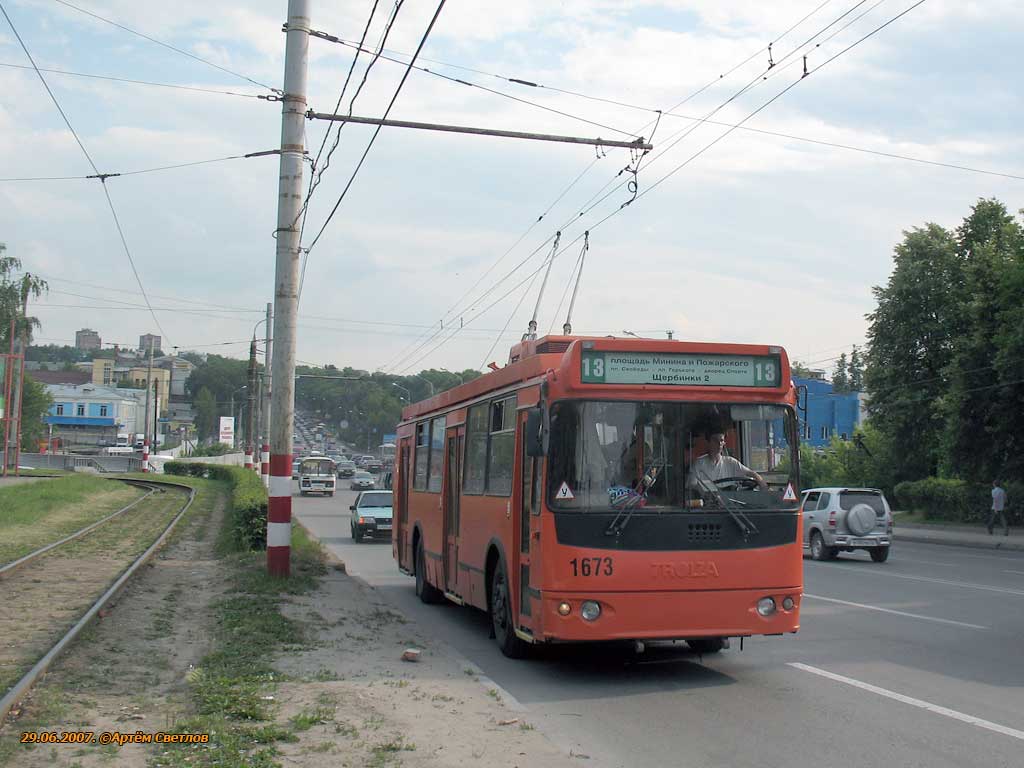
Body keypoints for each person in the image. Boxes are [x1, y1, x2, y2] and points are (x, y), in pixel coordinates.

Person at [688, 431, 767, 491]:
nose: (719, 444)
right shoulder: (699, 464)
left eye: (721, 440)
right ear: (708, 442)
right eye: (715, 440)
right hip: (708, 507)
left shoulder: (731, 462)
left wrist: (761, 482)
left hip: (732, 506)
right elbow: (692, 485)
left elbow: (751, 473)